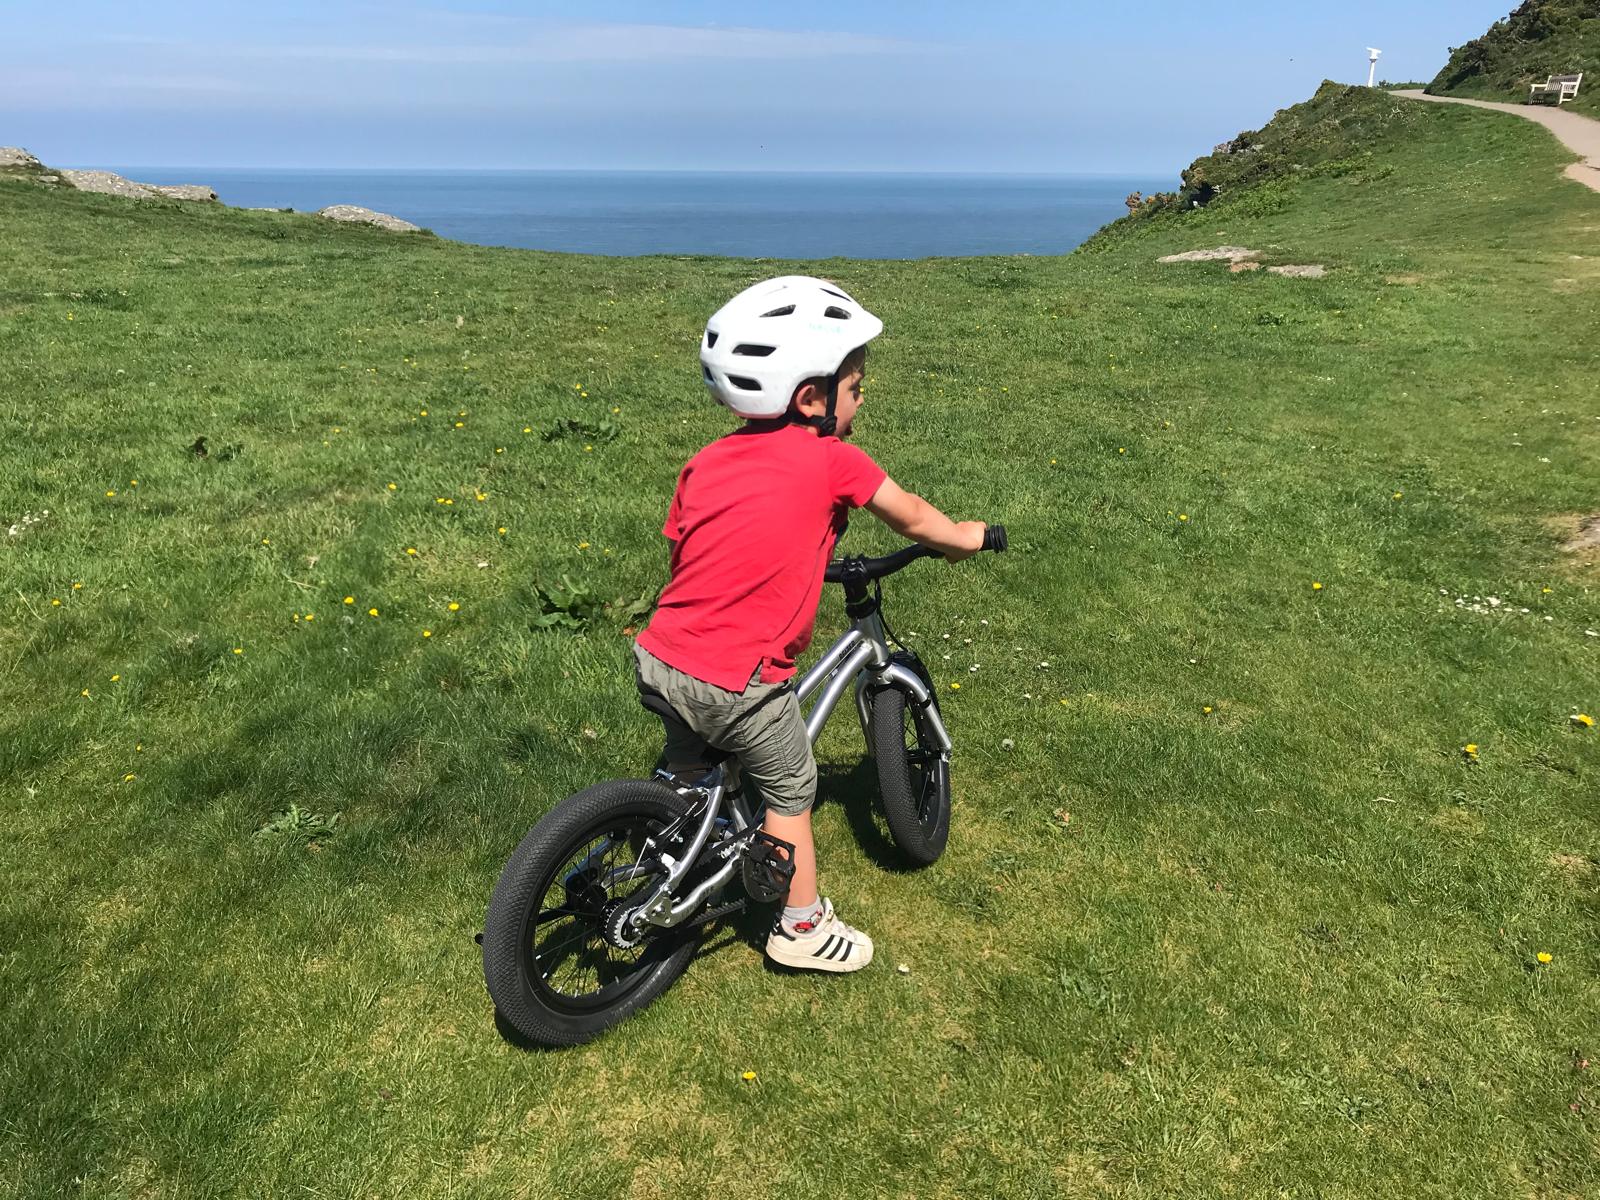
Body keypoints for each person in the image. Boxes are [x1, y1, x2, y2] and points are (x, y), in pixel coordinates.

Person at [632, 275, 986, 973]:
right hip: (739, 679)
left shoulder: (705, 462)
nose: (862, 398)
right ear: (810, 398)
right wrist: (963, 538)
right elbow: (912, 515)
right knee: (792, 787)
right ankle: (800, 928)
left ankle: (671, 834)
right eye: (855, 386)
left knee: (693, 762)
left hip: (661, 654)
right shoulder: (832, 459)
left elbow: (684, 547)